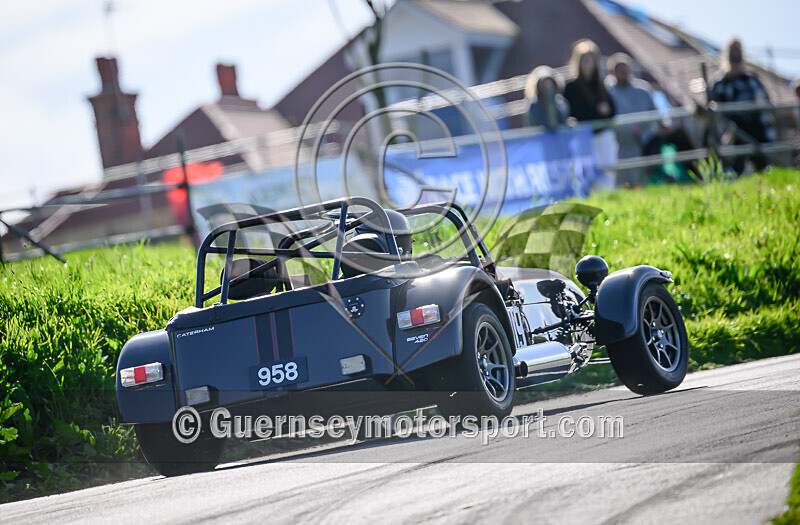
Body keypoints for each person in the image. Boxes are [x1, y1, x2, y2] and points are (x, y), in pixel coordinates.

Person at [709, 38, 775, 174]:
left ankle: (762, 176)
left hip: (756, 127)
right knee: (734, 166)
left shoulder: (751, 79)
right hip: (732, 130)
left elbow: (767, 103)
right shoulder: (720, 83)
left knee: (761, 164)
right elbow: (712, 110)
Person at [564, 39, 618, 188]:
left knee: (607, 171)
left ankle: (608, 197)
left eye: (591, 59)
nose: (588, 63)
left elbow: (613, 111)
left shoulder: (601, 85)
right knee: (586, 174)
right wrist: (597, 112)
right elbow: (575, 113)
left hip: (603, 135)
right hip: (584, 138)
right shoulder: (571, 87)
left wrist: (606, 111)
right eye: (584, 60)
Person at [605, 53, 657, 186]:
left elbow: (654, 113)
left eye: (625, 68)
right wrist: (627, 129)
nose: (623, 72)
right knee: (622, 179)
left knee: (641, 178)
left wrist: (644, 130)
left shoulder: (643, 90)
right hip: (619, 144)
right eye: (619, 69)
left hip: (644, 142)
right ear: (612, 72)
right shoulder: (608, 93)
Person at [524, 66, 570, 130]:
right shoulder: (534, 107)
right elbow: (532, 128)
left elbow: (563, 122)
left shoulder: (561, 103)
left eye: (549, 83)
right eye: (544, 84)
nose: (548, 87)